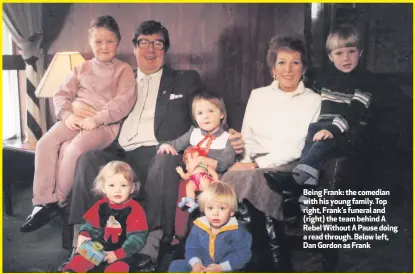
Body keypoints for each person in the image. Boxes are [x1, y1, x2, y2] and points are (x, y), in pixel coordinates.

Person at [62, 20, 243, 267]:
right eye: (144, 43)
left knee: (166, 159)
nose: (150, 50)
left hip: (157, 150)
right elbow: (88, 103)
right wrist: (74, 109)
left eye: (157, 43)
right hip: (118, 149)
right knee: (87, 160)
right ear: (134, 47)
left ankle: (148, 248)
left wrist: (229, 133)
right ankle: (81, 244)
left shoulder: (185, 79)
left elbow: (208, 110)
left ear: (165, 49)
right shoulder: (120, 77)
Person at [20, 15, 136, 233]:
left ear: (118, 43)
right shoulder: (80, 69)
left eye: (109, 41)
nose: (104, 47)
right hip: (75, 117)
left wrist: (97, 119)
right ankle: (42, 202)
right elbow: (61, 94)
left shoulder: (124, 70)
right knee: (46, 143)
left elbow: (123, 102)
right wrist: (67, 115)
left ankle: (58, 202)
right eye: (98, 42)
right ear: (90, 43)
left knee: (72, 149)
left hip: (103, 125)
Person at [220, 35, 321, 271]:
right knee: (232, 177)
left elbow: (298, 145)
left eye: (295, 63)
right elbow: (248, 137)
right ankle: (256, 257)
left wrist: (255, 166)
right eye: (281, 62)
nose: (288, 70)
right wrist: (244, 162)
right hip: (255, 162)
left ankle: (260, 261)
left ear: (304, 68)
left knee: (254, 179)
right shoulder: (259, 95)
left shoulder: (314, 101)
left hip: (289, 165)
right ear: (272, 68)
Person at [266, 24, 373, 216]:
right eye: (339, 53)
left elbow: (354, 113)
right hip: (322, 127)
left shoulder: (363, 83)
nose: (346, 58)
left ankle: (294, 180)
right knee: (312, 134)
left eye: (351, 51)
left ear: (360, 53)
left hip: (346, 133)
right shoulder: (325, 79)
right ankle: (306, 194)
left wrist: (332, 130)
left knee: (321, 140)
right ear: (331, 57)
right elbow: (304, 93)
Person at [62, 161, 148, 272]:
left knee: (119, 268)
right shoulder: (100, 205)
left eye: (123, 185)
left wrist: (117, 254)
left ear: (132, 188)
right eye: (112, 185)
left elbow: (137, 238)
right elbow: (90, 225)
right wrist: (84, 235)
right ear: (103, 188)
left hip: (122, 252)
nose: (117, 190)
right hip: (98, 247)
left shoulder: (135, 209)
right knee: (80, 260)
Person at [157, 91, 235, 212]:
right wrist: (165, 145)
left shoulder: (227, 138)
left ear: (222, 114)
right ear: (195, 117)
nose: (205, 116)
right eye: (200, 113)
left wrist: (201, 160)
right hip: (193, 177)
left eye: (211, 111)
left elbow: (224, 164)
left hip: (213, 177)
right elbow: (175, 144)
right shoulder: (194, 133)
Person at [168, 181, 252, 272]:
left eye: (222, 208)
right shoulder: (199, 226)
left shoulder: (237, 230)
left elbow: (243, 254)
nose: (215, 213)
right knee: (176, 265)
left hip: (224, 268)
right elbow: (192, 248)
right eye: (210, 208)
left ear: (231, 211)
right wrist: (196, 264)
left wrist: (221, 268)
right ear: (204, 209)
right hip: (202, 265)